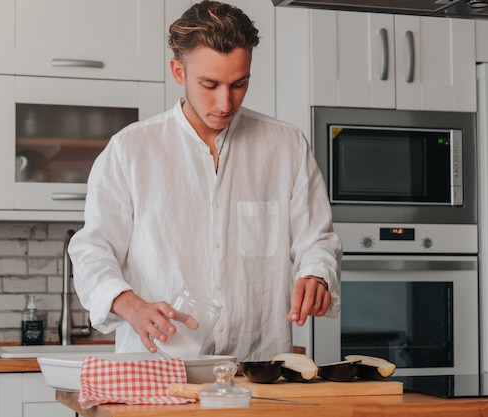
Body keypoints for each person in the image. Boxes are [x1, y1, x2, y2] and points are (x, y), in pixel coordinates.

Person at [68, 0, 342, 362]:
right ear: (178, 72)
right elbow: (92, 249)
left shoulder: (285, 146)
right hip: (158, 372)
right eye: (209, 84)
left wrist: (317, 275)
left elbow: (317, 240)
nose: (225, 103)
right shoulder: (130, 150)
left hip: (256, 368)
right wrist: (127, 303)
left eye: (239, 84)